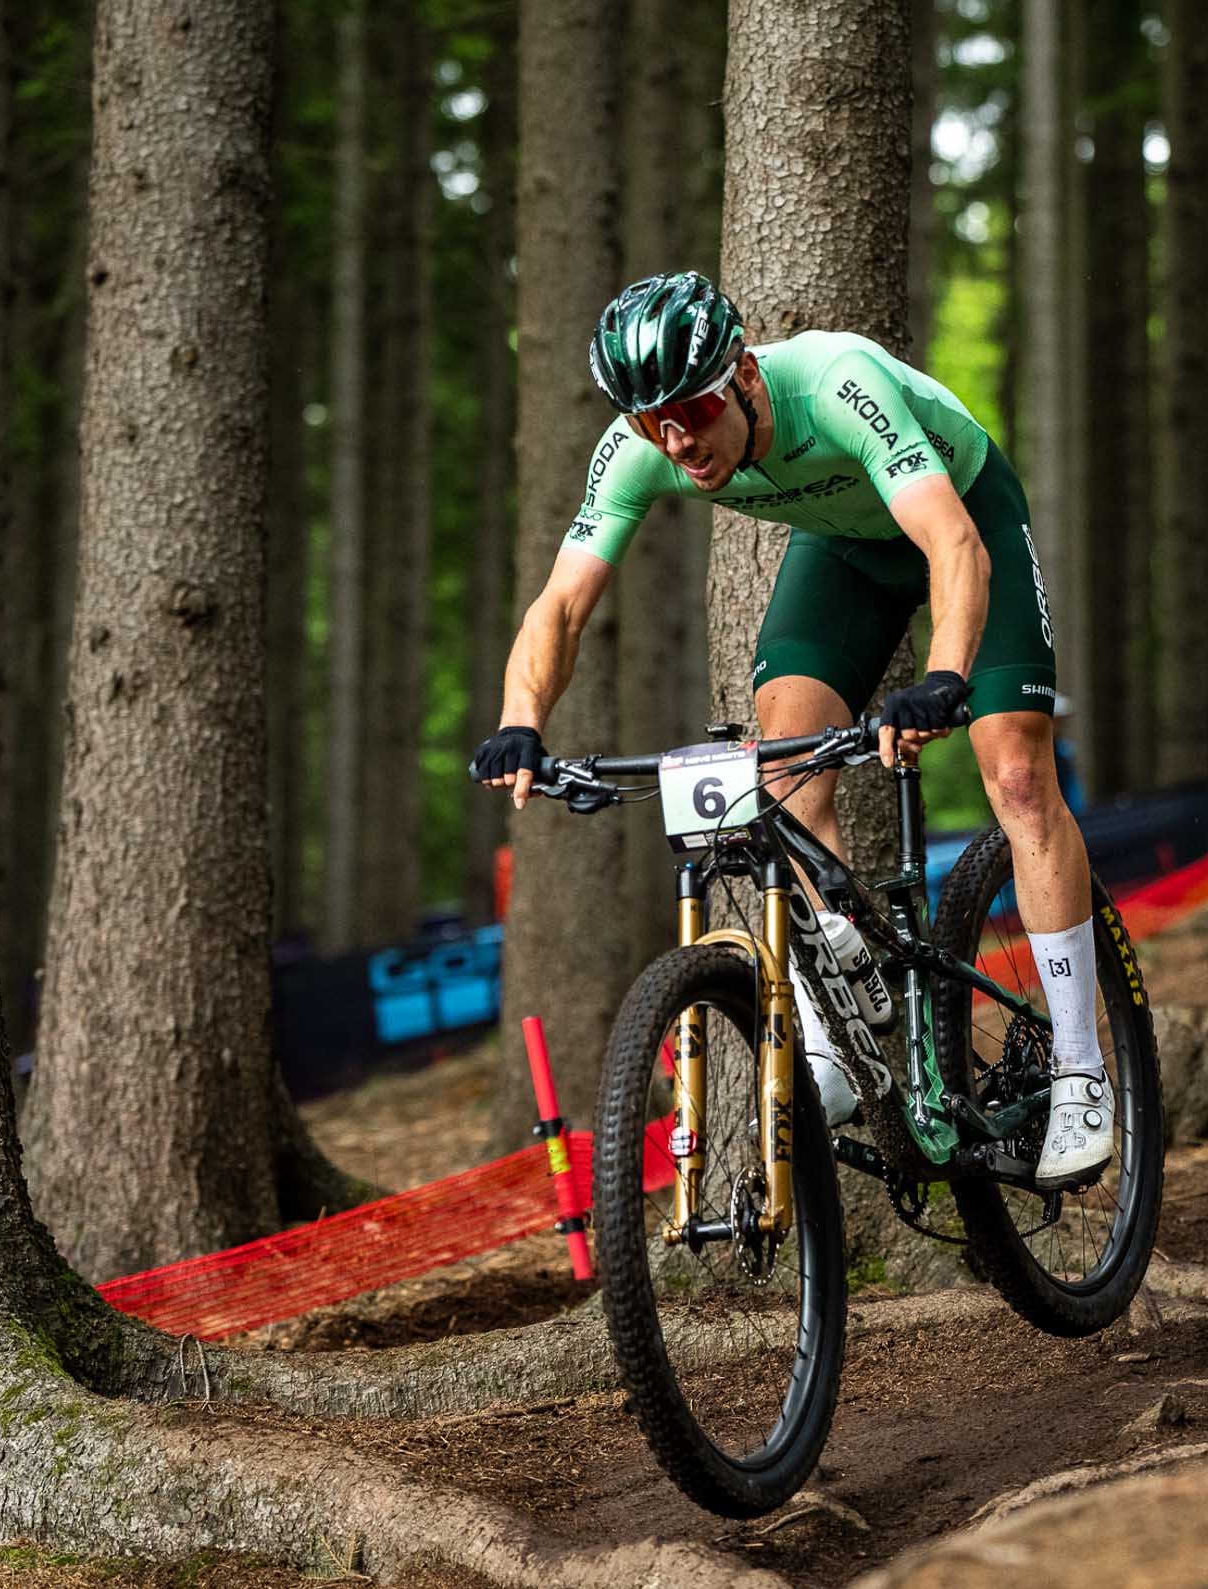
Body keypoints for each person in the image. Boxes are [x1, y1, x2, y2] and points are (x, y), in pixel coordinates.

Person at [471, 273, 1112, 1185]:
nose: (677, 441)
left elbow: (953, 545)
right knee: (782, 769)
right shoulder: (640, 447)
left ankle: (1083, 1070)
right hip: (846, 551)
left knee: (1015, 772)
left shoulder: (836, 382)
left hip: (963, 519)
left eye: (693, 410)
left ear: (742, 376)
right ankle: (834, 1019)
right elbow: (562, 605)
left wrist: (943, 678)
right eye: (652, 423)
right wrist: (519, 723)